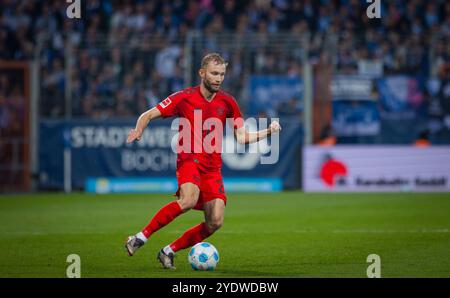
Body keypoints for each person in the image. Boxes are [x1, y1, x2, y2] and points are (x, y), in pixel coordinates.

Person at [124, 53, 281, 269]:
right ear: (202, 73)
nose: (218, 78)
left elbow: (242, 137)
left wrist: (268, 132)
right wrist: (138, 130)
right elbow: (148, 114)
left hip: (213, 168)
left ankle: (168, 251)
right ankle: (140, 237)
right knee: (188, 200)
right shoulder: (183, 97)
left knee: (215, 221)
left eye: (222, 74)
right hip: (189, 160)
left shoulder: (228, 102)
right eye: (214, 73)